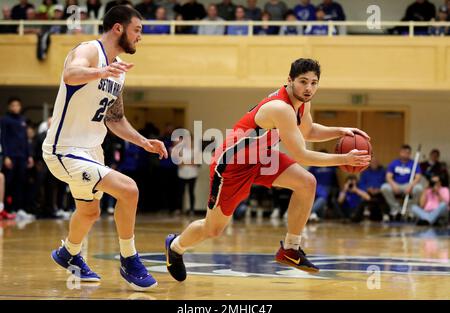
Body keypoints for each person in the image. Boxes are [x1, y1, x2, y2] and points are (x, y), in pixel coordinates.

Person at [164, 58, 371, 281]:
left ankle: (291, 249)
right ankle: (175, 246)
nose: (309, 88)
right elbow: (301, 154)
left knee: (307, 182)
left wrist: (341, 131)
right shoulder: (280, 108)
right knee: (213, 229)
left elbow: (308, 131)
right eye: (303, 81)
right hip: (232, 165)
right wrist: (344, 158)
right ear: (289, 80)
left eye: (314, 83)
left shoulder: (302, 103)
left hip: (262, 157)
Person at [43, 5, 168, 291]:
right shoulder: (90, 50)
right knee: (129, 190)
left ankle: (68, 253)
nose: (140, 37)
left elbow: (115, 118)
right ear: (118, 28)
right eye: (137, 30)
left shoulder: (118, 72)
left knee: (89, 213)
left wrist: (143, 141)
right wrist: (101, 71)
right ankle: (129, 258)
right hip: (64, 150)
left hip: (92, 151)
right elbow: (70, 74)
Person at [1, 97, 35, 221]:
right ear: (9, 107)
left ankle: (19, 210)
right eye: (13, 105)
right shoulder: (4, 120)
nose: (15, 107)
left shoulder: (23, 120)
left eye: (17, 105)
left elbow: (26, 140)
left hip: (22, 157)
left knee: (20, 183)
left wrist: (29, 155)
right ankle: (6, 209)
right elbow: (3, 139)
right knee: (8, 183)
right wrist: (6, 156)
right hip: (11, 157)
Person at [381, 144, 423, 220]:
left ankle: (410, 209)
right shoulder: (394, 163)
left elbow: (418, 177)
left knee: (419, 188)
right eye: (403, 152)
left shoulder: (414, 163)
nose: (405, 154)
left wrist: (411, 185)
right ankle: (395, 208)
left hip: (408, 185)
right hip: (396, 184)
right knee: (384, 187)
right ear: (400, 152)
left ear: (410, 154)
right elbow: (388, 176)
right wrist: (393, 185)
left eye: (407, 153)